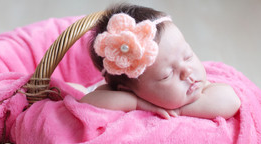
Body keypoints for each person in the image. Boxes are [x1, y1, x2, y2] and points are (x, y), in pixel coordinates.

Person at [79, 4, 241, 119]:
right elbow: (86, 102)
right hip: (90, 88)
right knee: (75, 90)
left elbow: (230, 100)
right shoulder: (116, 95)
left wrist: (179, 110)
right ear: (127, 90)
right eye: (167, 75)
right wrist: (137, 103)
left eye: (188, 56)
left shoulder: (200, 86)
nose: (187, 71)